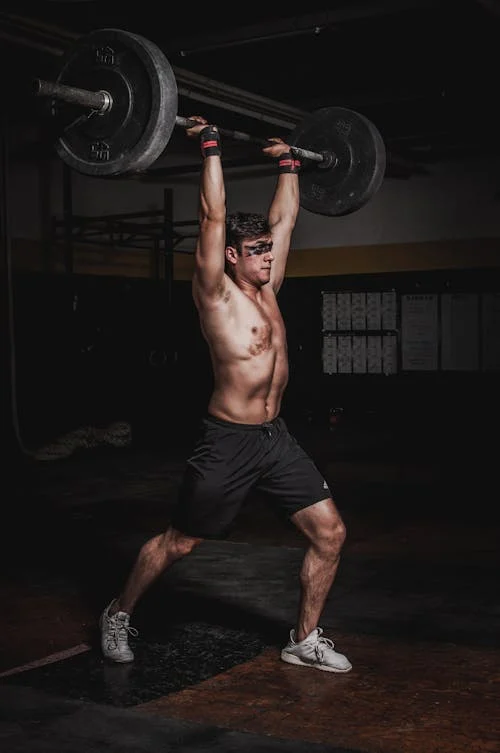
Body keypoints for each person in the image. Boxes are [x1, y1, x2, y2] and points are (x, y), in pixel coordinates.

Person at [99, 116, 352, 674]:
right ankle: (118, 613)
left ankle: (303, 639)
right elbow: (212, 215)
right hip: (228, 442)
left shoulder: (269, 287)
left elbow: (285, 220)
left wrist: (290, 162)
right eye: (257, 251)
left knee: (330, 534)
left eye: (268, 250)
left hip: (275, 438)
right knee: (180, 543)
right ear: (231, 257)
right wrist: (210, 147)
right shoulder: (215, 295)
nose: (268, 256)